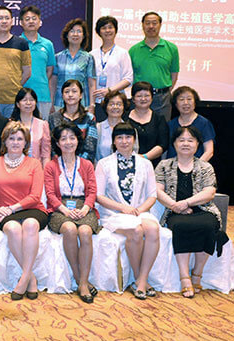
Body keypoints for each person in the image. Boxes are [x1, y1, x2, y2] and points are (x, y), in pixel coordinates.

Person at [155, 126, 227, 298]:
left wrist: (186, 203)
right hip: (174, 212)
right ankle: (184, 277)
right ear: (174, 143)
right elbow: (157, 190)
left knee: (209, 226)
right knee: (180, 226)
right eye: (181, 140)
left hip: (203, 210)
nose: (185, 144)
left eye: (190, 140)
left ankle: (197, 273)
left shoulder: (205, 167)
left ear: (197, 144)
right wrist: (175, 205)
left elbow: (209, 193)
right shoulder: (164, 165)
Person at [95, 122, 159, 300]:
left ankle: (141, 280)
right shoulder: (104, 164)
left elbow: (152, 195)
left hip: (139, 211)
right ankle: (141, 280)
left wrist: (139, 210)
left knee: (153, 229)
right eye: (119, 137)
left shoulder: (145, 163)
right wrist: (123, 208)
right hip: (114, 213)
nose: (124, 141)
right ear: (114, 141)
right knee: (136, 231)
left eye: (128, 137)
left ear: (134, 140)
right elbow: (99, 196)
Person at [0, 121, 47, 301]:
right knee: (12, 229)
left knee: (30, 225)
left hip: (31, 209)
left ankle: (24, 279)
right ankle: (31, 278)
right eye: (11, 138)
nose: (15, 142)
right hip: (4, 212)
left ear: (26, 143)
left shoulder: (34, 164)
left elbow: (35, 196)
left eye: (20, 139)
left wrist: (12, 208)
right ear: (5, 141)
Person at [44, 123, 100, 303]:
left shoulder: (87, 164)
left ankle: (83, 281)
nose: (68, 142)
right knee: (69, 229)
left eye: (72, 138)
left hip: (83, 206)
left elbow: (92, 191)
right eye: (63, 139)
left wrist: (85, 208)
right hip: (60, 207)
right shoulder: (51, 166)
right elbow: (50, 194)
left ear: (78, 140)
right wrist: (65, 210)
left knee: (85, 231)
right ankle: (80, 280)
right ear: (57, 143)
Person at [129, 11, 179, 121]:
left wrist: (164, 91)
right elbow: (130, 76)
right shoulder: (133, 50)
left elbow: (174, 75)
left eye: (154, 23)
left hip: (162, 98)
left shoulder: (171, 48)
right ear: (142, 25)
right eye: (147, 23)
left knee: (162, 128)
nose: (151, 26)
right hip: (140, 98)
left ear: (160, 25)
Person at [89, 15, 133, 122]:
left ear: (115, 30)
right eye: (104, 28)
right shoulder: (92, 54)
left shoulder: (122, 53)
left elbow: (128, 79)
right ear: (98, 32)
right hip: (98, 102)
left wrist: (109, 90)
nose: (107, 30)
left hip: (117, 102)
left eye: (110, 27)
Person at [51, 18, 96, 114]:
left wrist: (92, 105)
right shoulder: (57, 57)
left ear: (83, 36)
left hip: (82, 104)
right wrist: (51, 103)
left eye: (79, 31)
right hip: (59, 103)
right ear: (67, 35)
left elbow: (92, 84)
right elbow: (53, 82)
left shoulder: (88, 58)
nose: (75, 34)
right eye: (72, 31)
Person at [20, 6, 56, 120]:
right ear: (21, 23)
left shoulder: (48, 44)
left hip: (42, 96)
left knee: (42, 129)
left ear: (40, 22)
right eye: (27, 19)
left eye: (34, 18)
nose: (31, 21)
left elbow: (50, 70)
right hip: (21, 95)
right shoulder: (16, 43)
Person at [48, 79, 97, 161]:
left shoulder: (89, 118)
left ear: (81, 95)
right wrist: (60, 163)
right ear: (62, 96)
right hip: (58, 163)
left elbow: (90, 147)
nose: (70, 95)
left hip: (83, 164)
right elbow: (52, 145)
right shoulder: (53, 117)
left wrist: (78, 164)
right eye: (67, 92)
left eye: (74, 91)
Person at [125, 81, 169, 168]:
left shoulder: (159, 119)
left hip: (152, 166)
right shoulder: (125, 118)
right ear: (133, 99)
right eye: (139, 96)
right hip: (127, 163)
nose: (143, 99)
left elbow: (163, 145)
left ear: (152, 98)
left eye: (147, 96)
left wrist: (144, 157)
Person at [167, 86, 215, 161]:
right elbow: (165, 150)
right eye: (181, 99)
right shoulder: (170, 124)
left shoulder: (204, 123)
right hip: (173, 166)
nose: (186, 103)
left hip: (197, 166)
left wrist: (196, 166)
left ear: (195, 102)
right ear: (176, 104)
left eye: (189, 99)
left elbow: (209, 151)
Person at [11, 87, 51, 167]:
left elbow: (46, 154)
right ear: (18, 104)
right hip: (15, 168)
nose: (28, 103)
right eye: (24, 100)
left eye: (31, 100)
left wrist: (44, 172)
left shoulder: (43, 124)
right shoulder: (11, 125)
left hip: (36, 169)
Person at [96, 90, 128, 162]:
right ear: (106, 107)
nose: (115, 107)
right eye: (111, 104)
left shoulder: (130, 129)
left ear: (124, 107)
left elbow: (134, 152)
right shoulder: (98, 128)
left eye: (119, 104)